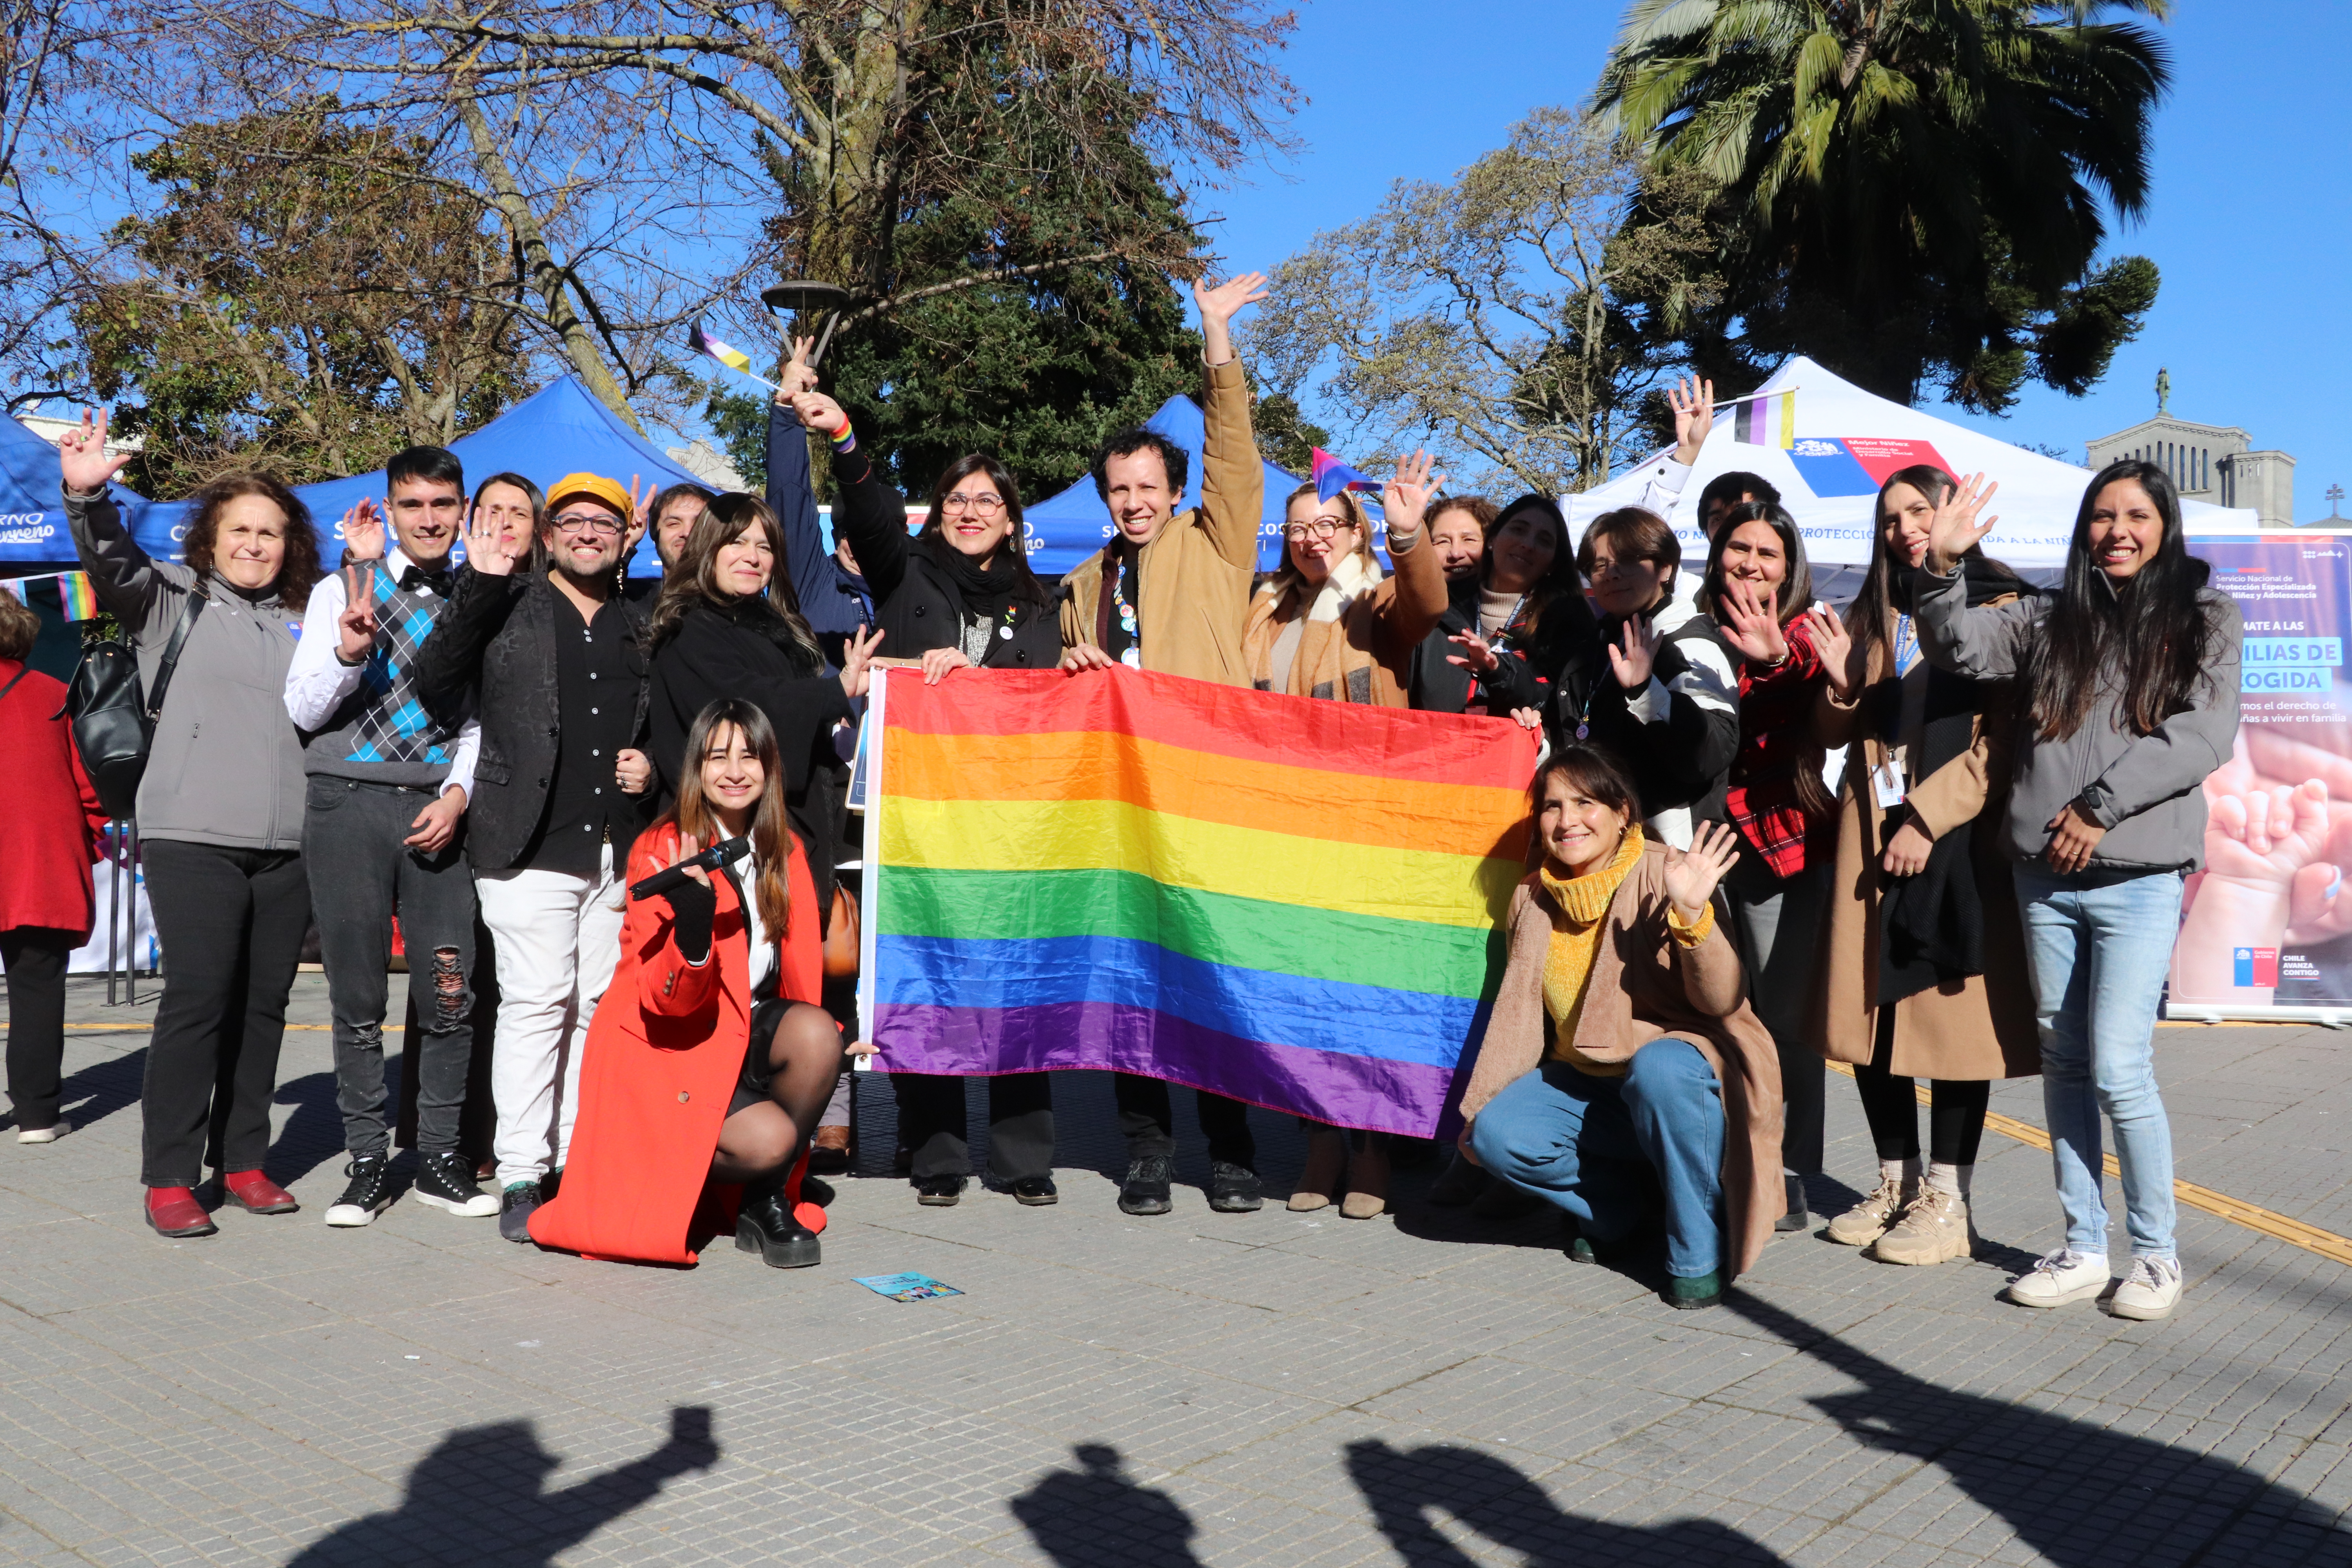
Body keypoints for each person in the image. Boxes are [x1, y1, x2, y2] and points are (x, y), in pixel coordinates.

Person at [1915, 461, 2241, 1321]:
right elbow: (1958, 647)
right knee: (2062, 1056)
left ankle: (2157, 1254)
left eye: (2137, 514)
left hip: (2137, 876)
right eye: (2102, 515)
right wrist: (1942, 571)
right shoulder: (2048, 615)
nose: (2118, 530)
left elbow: (2203, 734)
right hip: (2044, 877)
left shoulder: (2205, 616)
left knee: (2121, 1067)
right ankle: (2084, 1244)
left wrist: (2098, 807)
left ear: (2165, 525)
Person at [802, 384, 1066, 1209]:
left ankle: (1024, 1157)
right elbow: (872, 509)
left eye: (987, 499)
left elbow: (1049, 700)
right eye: (956, 498)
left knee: (1017, 980)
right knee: (930, 974)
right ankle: (939, 1154)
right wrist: (843, 435)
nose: (970, 509)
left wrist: (988, 679)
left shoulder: (1045, 602)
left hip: (1015, 824)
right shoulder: (906, 574)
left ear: (1012, 517)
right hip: (918, 816)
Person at [62, 416, 323, 1237]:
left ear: (290, 544)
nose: (255, 544)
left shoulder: (305, 619)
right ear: (211, 537)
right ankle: (170, 1172)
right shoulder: (169, 596)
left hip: (287, 841)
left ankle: (244, 1158)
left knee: (265, 1005)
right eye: (240, 529)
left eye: (271, 532)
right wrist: (87, 492)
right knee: (201, 996)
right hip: (191, 835)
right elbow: (109, 559)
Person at [1057, 270, 1275, 1218]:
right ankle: (1147, 1151)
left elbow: (1235, 455)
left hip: (1213, 798)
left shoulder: (1218, 543)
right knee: (1134, 983)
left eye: (1149, 485)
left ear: (1175, 491)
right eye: (1120, 489)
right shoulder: (1080, 580)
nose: (1134, 501)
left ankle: (1231, 1152)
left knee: (1215, 978)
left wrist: (1215, 338)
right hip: (1121, 812)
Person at [412, 472, 659, 1241]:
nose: (589, 533)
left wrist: (648, 766)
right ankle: (522, 1167)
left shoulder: (639, 622)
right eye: (574, 521)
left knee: (595, 1007)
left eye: (605, 524)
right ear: (548, 535)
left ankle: (577, 1158)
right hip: (525, 843)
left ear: (624, 540)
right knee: (535, 1000)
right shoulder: (508, 602)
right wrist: (481, 585)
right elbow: (435, 682)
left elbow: (656, 721)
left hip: (614, 845)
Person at [1809, 466, 2039, 1266]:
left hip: (1952, 837)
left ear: (1955, 513)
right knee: (1874, 1017)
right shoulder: (1876, 614)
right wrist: (1841, 689)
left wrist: (1927, 817)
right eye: (1891, 517)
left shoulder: (2003, 604)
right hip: (1870, 832)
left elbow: (2000, 744)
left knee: (1949, 1022)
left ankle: (1949, 1198)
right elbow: (1840, 731)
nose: (1905, 526)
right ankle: (1895, 1181)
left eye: (1920, 509)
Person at [1457, 747, 1782, 1310]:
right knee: (1498, 1136)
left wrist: (1692, 917)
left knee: (1659, 1070)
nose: (1567, 820)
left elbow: (1724, 998)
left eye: (1585, 802)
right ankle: (1618, 1209)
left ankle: (1696, 1247)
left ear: (1622, 811)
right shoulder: (1530, 896)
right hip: (1588, 1082)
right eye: (1553, 806)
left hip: (1680, 1079)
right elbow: (1519, 1020)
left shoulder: (1669, 871)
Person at [527, 700, 845, 1268]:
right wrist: (694, 920)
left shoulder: (784, 850)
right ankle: (732, 1180)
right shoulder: (664, 848)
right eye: (718, 756)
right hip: (673, 1043)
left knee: (822, 1036)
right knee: (771, 1140)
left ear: (771, 769)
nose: (735, 770)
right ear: (695, 770)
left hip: (745, 1028)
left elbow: (794, 979)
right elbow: (666, 1002)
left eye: (750, 756)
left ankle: (763, 1197)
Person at [283, 445, 489, 1229]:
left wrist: (459, 792)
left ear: (461, 509)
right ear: (391, 509)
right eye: (414, 505)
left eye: (443, 504)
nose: (430, 519)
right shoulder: (342, 585)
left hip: (436, 808)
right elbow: (303, 709)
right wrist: (349, 649)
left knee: (449, 989)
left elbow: (478, 720)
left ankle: (438, 1154)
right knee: (359, 995)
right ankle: (368, 1161)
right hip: (345, 806)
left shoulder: (479, 596)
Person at [1243, 459, 1445, 1218]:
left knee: (1365, 992)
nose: (1311, 539)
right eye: (1298, 527)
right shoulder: (1263, 607)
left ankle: (1370, 1143)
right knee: (1303, 993)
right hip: (1285, 824)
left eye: (1327, 524)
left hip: (1365, 823)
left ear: (1354, 530)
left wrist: (1407, 533)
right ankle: (1318, 1134)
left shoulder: (1377, 595)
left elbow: (1429, 599)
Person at [644, 494, 880, 929]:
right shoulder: (690, 629)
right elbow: (748, 705)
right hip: (726, 844)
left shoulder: (776, 628)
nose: (753, 557)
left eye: (766, 546)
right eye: (738, 542)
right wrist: (833, 693)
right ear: (709, 548)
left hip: (784, 840)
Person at [1700, 501, 1838, 1233]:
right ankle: (1713, 1157)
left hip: (1775, 846)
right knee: (1704, 1006)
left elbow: (1808, 688)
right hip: (1689, 843)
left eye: (1769, 553)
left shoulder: (1805, 632)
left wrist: (1774, 658)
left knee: (1782, 1017)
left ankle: (1785, 1168)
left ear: (1791, 568)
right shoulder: (1689, 626)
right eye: (1740, 548)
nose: (1753, 563)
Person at [1548, 507, 1740, 848]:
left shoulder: (1689, 642)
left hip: (1667, 857)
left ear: (1665, 568)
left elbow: (1711, 753)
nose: (1613, 574)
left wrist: (1645, 692)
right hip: (1600, 845)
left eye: (1629, 559)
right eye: (1599, 565)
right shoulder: (1600, 642)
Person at [0, 589, 106, 1146]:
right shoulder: (49, 694)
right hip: (36, 865)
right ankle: (37, 1117)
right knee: (36, 990)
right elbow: (88, 789)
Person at [1421, 494, 1595, 720]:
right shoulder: (1439, 608)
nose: (1528, 544)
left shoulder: (1568, 624)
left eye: (1544, 540)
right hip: (1433, 750)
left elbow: (1562, 708)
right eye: (1519, 530)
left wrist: (1498, 672)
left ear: (1553, 563)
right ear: (1492, 540)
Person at [768, 343, 877, 668]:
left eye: (872, 536)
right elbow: (790, 499)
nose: (859, 546)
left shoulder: (916, 589)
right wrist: (787, 414)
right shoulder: (814, 579)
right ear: (836, 535)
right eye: (848, 534)